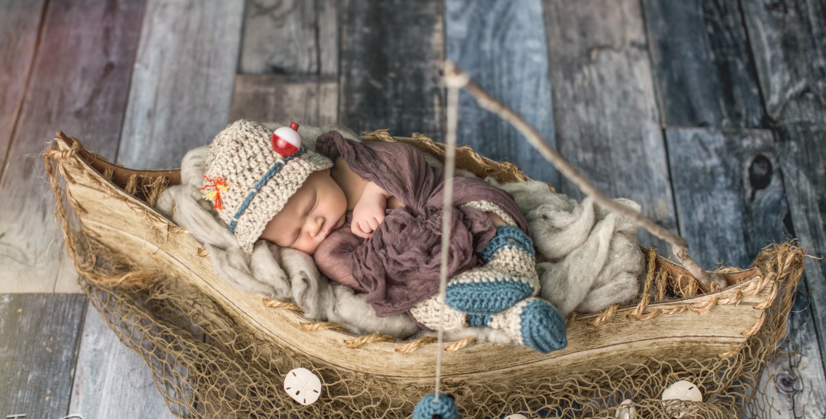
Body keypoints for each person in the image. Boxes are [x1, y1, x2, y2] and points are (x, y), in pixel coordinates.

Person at [202, 119, 567, 353]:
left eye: (311, 205)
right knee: (420, 302)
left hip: (445, 210)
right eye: (297, 235)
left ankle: (512, 268)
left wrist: (374, 194)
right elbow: (359, 275)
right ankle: (514, 317)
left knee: (486, 208)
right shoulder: (328, 247)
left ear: (319, 169)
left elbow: (404, 158)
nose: (313, 227)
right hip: (428, 269)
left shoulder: (351, 166)